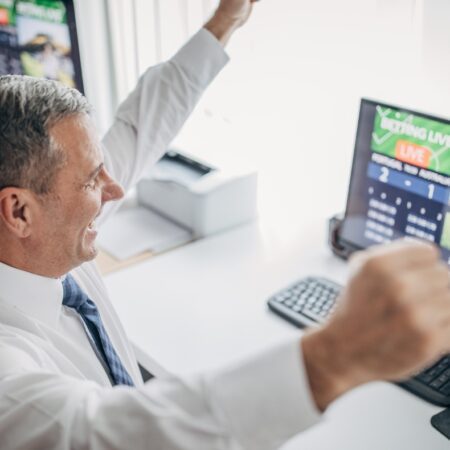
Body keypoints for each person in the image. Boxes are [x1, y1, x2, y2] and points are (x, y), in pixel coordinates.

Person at [0, 1, 450, 449]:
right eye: (92, 180)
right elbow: (102, 433)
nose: (114, 190)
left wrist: (224, 21)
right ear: (19, 212)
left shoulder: (48, 232)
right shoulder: (9, 372)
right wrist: (336, 354)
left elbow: (140, 127)